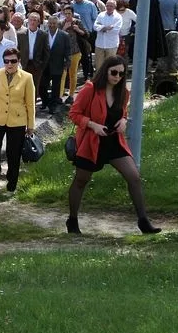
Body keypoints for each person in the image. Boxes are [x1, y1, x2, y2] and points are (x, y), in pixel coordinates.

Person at [67, 56, 161, 235]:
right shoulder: (91, 89)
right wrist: (92, 125)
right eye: (114, 72)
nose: (117, 76)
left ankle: (143, 221)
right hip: (91, 143)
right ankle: (72, 220)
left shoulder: (123, 92)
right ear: (106, 71)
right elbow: (73, 113)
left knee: (134, 176)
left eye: (121, 74)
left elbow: (123, 111)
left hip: (114, 141)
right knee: (81, 180)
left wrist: (124, 120)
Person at [0, 48, 35, 192]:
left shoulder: (27, 77)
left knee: (14, 154)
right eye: (6, 61)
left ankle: (12, 184)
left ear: (18, 61)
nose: (9, 64)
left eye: (13, 61)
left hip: (17, 120)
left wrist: (31, 124)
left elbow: (30, 103)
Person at [17, 12, 49, 105]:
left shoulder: (43, 35)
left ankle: (32, 107)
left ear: (39, 22)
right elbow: (17, 49)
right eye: (31, 19)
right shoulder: (20, 34)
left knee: (34, 86)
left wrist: (42, 66)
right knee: (21, 85)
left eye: (35, 20)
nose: (32, 22)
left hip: (36, 65)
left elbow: (46, 52)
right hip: (23, 64)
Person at [42, 16, 71, 113]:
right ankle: (45, 102)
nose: (51, 25)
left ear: (57, 24)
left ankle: (53, 106)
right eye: (50, 23)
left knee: (56, 87)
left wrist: (67, 62)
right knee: (42, 86)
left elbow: (68, 50)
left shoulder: (64, 35)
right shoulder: (43, 35)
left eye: (54, 23)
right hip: (45, 65)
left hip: (58, 64)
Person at [59, 6, 88, 102]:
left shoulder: (77, 22)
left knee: (73, 73)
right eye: (65, 13)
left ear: (72, 13)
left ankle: (71, 95)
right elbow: (57, 36)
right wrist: (64, 28)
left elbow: (86, 34)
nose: (67, 16)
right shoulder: (61, 23)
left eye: (69, 13)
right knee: (63, 74)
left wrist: (78, 30)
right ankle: (59, 96)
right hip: (63, 53)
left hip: (75, 52)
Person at [93, 0, 122, 66]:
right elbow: (95, 26)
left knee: (110, 65)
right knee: (99, 65)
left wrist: (101, 28)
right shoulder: (101, 15)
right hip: (99, 44)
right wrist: (106, 28)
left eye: (111, 6)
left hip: (111, 45)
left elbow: (116, 30)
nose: (109, 7)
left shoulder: (118, 17)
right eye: (107, 5)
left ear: (115, 7)